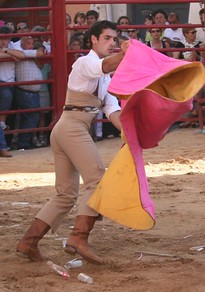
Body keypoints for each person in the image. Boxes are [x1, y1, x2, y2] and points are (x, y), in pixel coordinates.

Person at [16, 20, 130, 265]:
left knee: (65, 195)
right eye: (107, 38)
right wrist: (125, 53)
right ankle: (78, 237)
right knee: (97, 178)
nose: (112, 43)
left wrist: (128, 133)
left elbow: (112, 109)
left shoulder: (105, 76)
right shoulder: (85, 62)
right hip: (72, 128)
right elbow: (107, 64)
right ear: (94, 40)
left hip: (69, 128)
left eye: (115, 39)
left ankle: (28, 242)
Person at [12, 36, 45, 150]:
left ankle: (25, 142)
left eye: (32, 43)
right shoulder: (18, 54)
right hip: (26, 91)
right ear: (22, 44)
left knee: (31, 117)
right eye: (28, 43)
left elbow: (40, 53)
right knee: (31, 116)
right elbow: (37, 53)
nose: (31, 46)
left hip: (31, 91)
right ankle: (23, 143)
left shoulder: (29, 55)